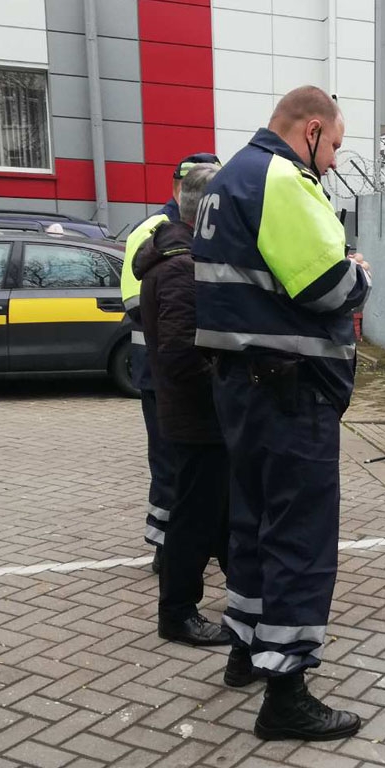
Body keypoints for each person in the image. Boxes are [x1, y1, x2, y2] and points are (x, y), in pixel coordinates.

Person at [193, 86, 371, 741]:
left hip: (242, 387)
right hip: (291, 394)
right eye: (334, 151)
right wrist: (359, 270)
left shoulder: (225, 180)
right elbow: (324, 285)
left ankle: (244, 649)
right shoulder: (281, 178)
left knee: (255, 523)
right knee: (300, 541)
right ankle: (287, 694)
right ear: (313, 129)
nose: (330, 165)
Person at [132, 162, 230, 647]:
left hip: (201, 417)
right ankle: (177, 610)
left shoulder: (180, 258)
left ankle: (246, 592)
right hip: (197, 419)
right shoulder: (181, 268)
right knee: (193, 517)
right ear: (209, 211)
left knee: (218, 509)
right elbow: (179, 355)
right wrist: (231, 379)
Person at [122, 153, 222, 572]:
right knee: (171, 464)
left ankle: (185, 544)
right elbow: (134, 303)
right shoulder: (158, 236)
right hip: (163, 367)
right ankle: (168, 548)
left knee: (185, 466)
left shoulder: (182, 237)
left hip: (168, 364)